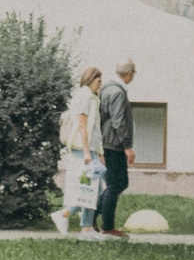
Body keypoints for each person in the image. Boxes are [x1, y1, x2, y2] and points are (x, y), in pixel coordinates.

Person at [94, 59, 136, 236]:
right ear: (129, 74)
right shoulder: (118, 92)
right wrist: (127, 146)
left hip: (106, 143)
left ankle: (92, 216)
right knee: (117, 183)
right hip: (114, 144)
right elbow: (118, 121)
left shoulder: (106, 89)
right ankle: (107, 226)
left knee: (115, 183)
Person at [58, 69, 101, 234]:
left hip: (91, 148)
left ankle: (86, 228)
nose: (100, 84)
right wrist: (87, 151)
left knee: (93, 188)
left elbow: (95, 128)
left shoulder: (92, 97)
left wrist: (100, 152)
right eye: (98, 81)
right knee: (88, 188)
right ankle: (65, 215)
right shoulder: (85, 97)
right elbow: (82, 125)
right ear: (90, 80)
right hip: (84, 149)